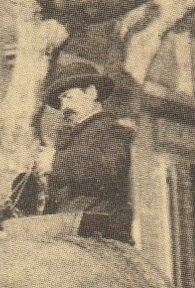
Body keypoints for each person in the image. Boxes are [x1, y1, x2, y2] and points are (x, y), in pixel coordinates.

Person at [35, 59, 135, 243]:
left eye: (68, 97)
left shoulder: (112, 130)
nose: (64, 107)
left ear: (91, 93)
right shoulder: (70, 138)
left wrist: (56, 162)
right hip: (67, 233)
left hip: (100, 237)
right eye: (60, 101)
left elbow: (111, 167)